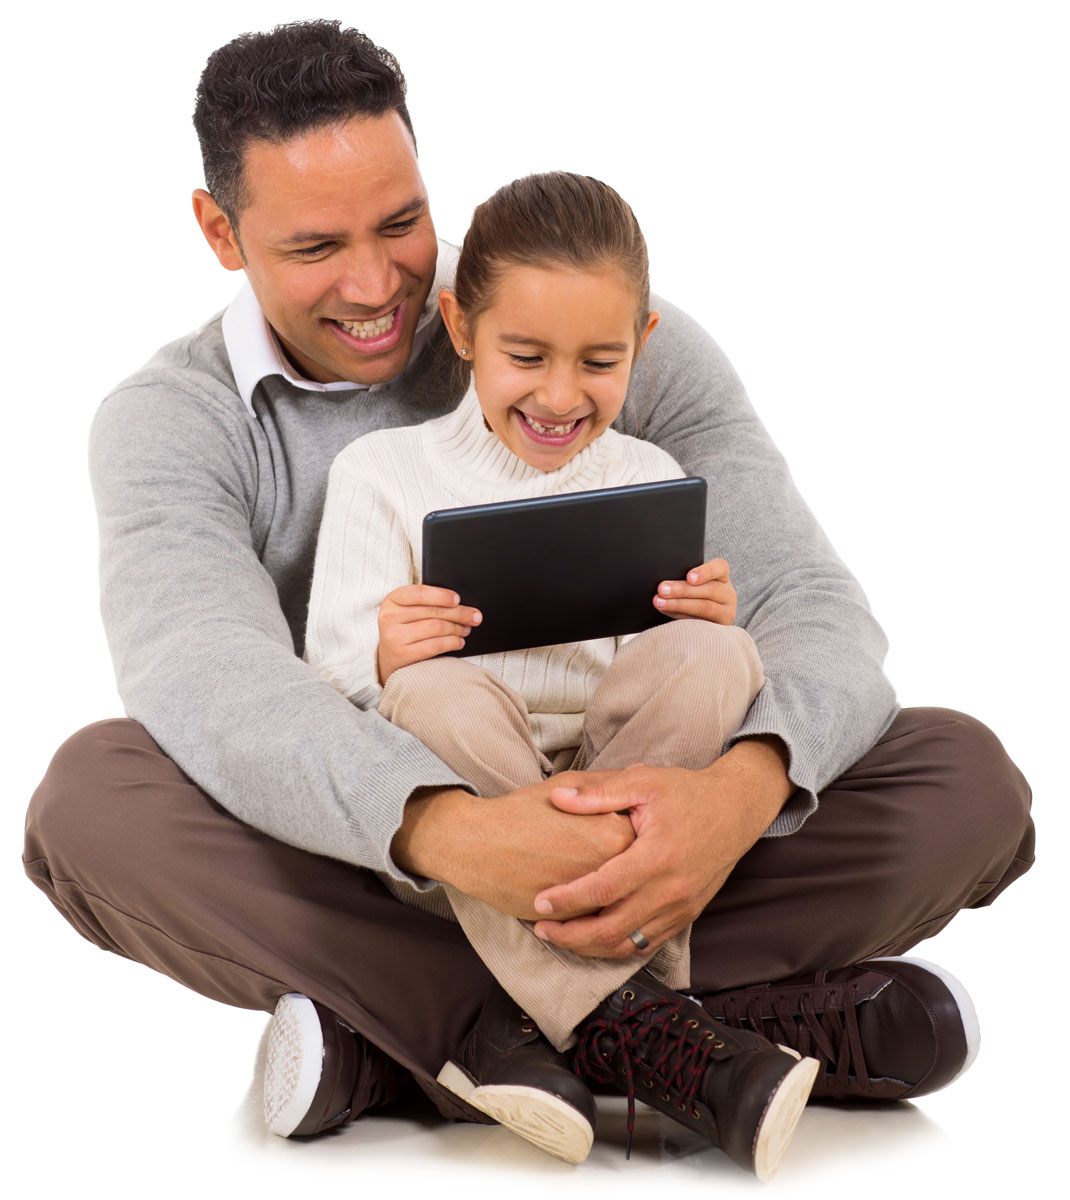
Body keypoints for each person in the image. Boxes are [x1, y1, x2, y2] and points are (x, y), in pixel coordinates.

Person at [21, 16, 1033, 1183]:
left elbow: (808, 603)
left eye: (401, 224)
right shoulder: (170, 421)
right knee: (93, 806)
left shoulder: (585, 332)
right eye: (312, 247)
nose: (373, 285)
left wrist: (732, 801)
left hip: (654, 805)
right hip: (383, 848)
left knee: (960, 780)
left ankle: (413, 1041)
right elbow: (209, 682)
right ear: (218, 230)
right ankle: (684, 1036)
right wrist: (449, 831)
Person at [304, 170, 821, 1172]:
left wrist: (707, 627)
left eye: (598, 361)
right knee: (432, 690)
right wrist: (379, 657)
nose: (556, 395)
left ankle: (536, 1023)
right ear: (458, 327)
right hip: (468, 832)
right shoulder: (381, 475)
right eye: (524, 356)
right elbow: (327, 695)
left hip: (623, 809)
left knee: (719, 651)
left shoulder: (649, 479)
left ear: (643, 344)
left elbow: (670, 700)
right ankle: (657, 1035)